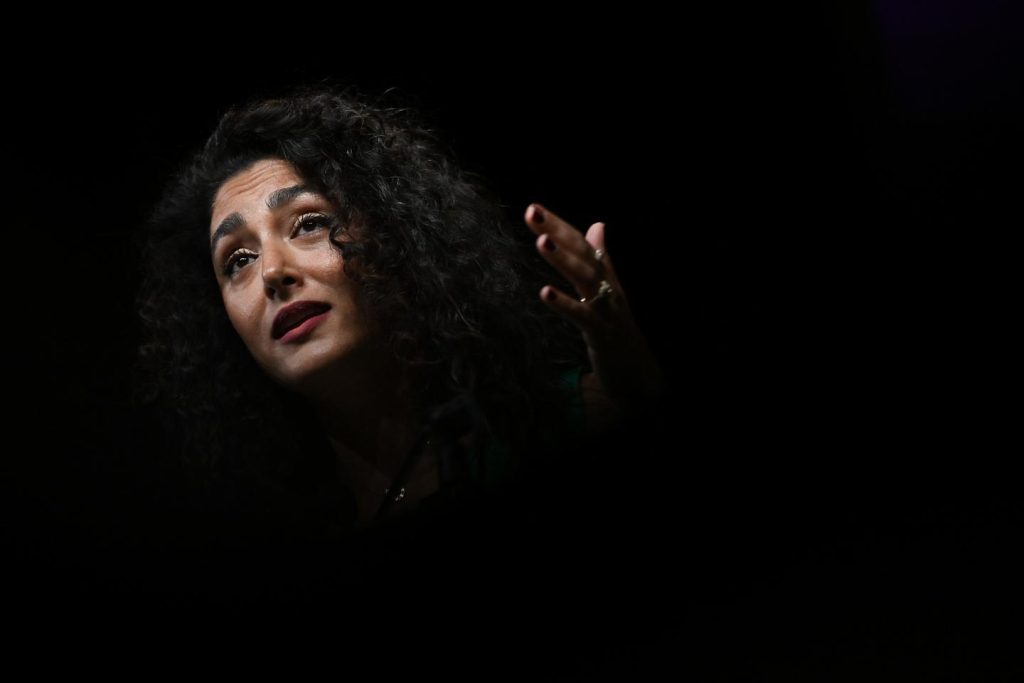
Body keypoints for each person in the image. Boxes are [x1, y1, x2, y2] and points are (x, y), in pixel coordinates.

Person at [136, 85, 664, 540]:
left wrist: (637, 393)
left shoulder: (561, 426)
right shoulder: (270, 538)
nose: (272, 271)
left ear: (393, 240)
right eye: (238, 261)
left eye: (309, 224)